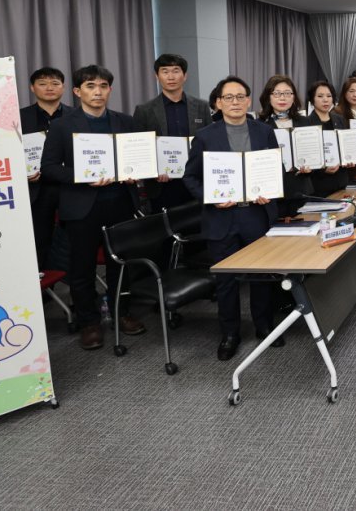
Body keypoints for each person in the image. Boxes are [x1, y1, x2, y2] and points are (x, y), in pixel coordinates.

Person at [40, 65, 146, 350]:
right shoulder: (63, 125)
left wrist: (136, 172)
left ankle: (121, 312)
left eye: (102, 86)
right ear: (77, 91)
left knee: (120, 265)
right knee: (82, 267)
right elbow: (48, 168)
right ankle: (89, 322)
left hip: (120, 204)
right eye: (90, 86)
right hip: (81, 208)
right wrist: (82, 177)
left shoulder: (125, 122)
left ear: (110, 89)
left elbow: (135, 158)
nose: (97, 92)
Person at [183, 76, 280, 360]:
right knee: (226, 280)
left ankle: (264, 326)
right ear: (218, 103)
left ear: (249, 100)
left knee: (262, 276)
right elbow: (190, 178)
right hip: (221, 216)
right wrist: (210, 197)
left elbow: (276, 168)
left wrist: (270, 192)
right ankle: (230, 333)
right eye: (229, 98)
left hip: (255, 213)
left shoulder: (264, 132)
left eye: (240, 97)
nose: (235, 102)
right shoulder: (205, 136)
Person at [132, 53, 213, 211]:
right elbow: (139, 150)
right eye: (165, 71)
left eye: (176, 71)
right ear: (157, 76)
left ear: (185, 75)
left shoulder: (201, 107)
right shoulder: (144, 110)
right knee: (166, 232)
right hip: (161, 186)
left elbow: (209, 143)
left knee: (199, 231)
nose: (171, 76)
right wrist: (153, 171)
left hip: (196, 183)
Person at [20, 66, 71, 271]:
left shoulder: (76, 116)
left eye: (55, 83)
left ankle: (75, 289)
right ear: (32, 88)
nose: (49, 88)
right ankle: (43, 292)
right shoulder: (18, 118)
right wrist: (22, 175)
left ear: (64, 87)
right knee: (39, 241)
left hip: (70, 188)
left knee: (73, 241)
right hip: (36, 189)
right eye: (42, 83)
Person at [256, 75, 314, 219]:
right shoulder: (259, 125)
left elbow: (312, 153)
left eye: (287, 93)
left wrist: (311, 165)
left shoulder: (305, 122)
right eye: (277, 93)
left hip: (302, 191)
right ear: (268, 97)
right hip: (275, 194)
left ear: (293, 97)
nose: (282, 98)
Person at [304, 80, 353, 196]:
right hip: (318, 185)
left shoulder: (339, 119)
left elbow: (344, 147)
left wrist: (349, 159)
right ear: (312, 100)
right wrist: (322, 169)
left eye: (329, 96)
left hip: (341, 182)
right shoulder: (306, 123)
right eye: (320, 96)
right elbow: (306, 156)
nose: (325, 100)